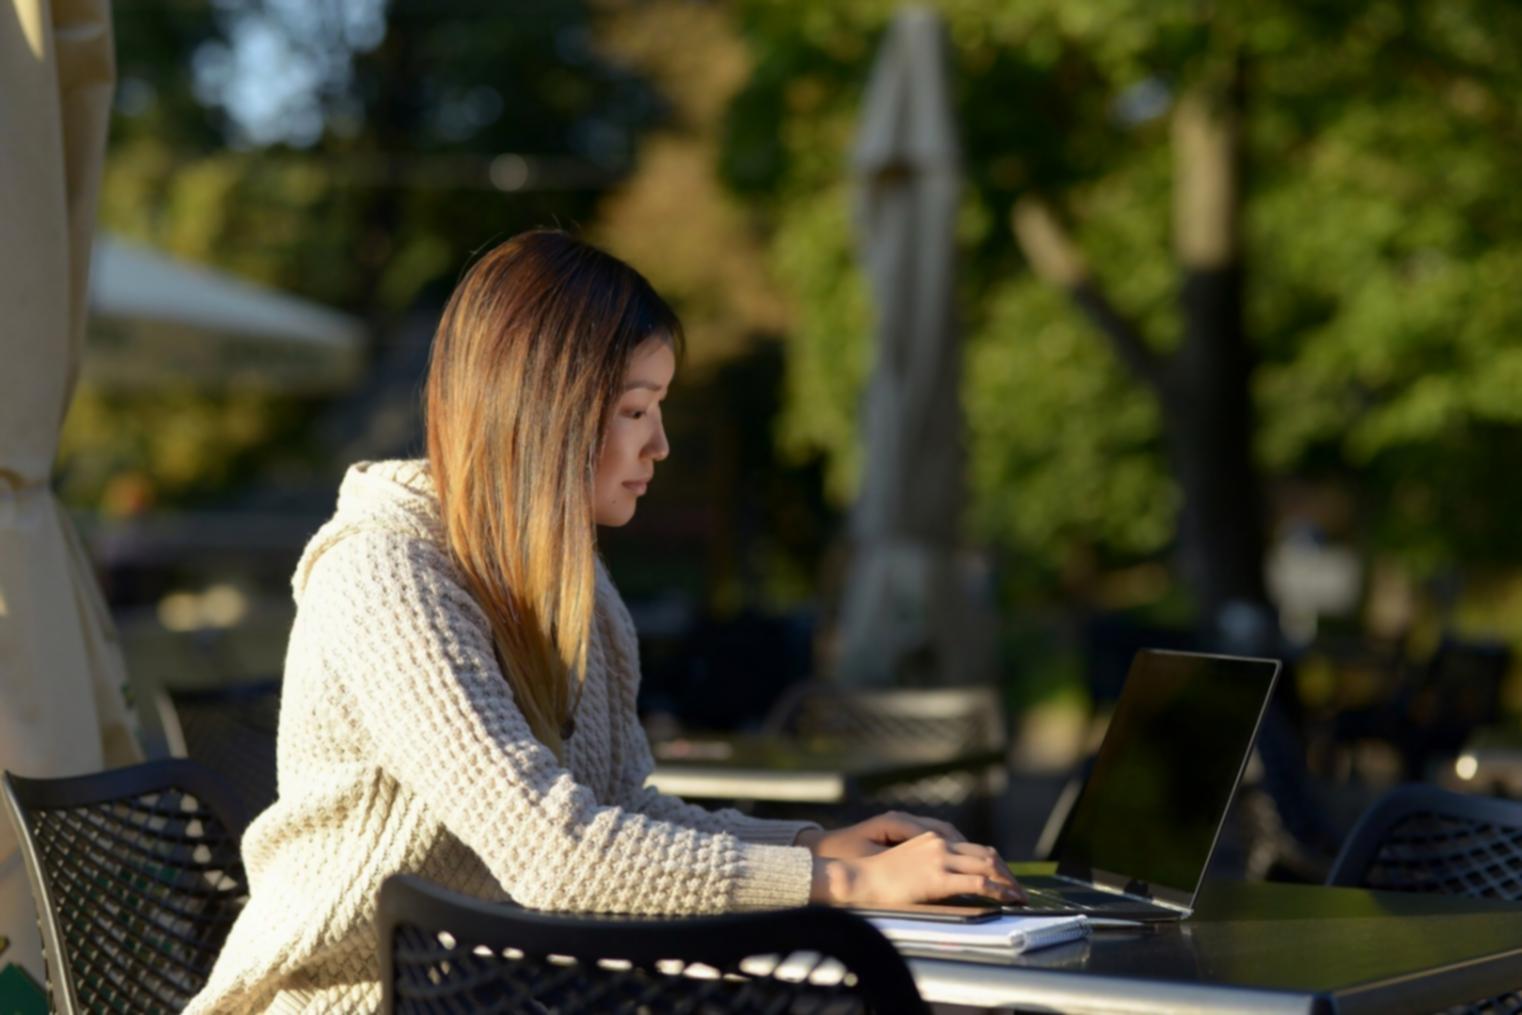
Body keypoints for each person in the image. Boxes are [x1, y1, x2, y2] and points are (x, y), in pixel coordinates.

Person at [188, 230, 1022, 1012]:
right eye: (634, 410)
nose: (660, 444)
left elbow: (622, 809)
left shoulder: (574, 582)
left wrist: (815, 849)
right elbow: (558, 852)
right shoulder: (388, 577)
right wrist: (844, 890)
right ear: (542, 413)